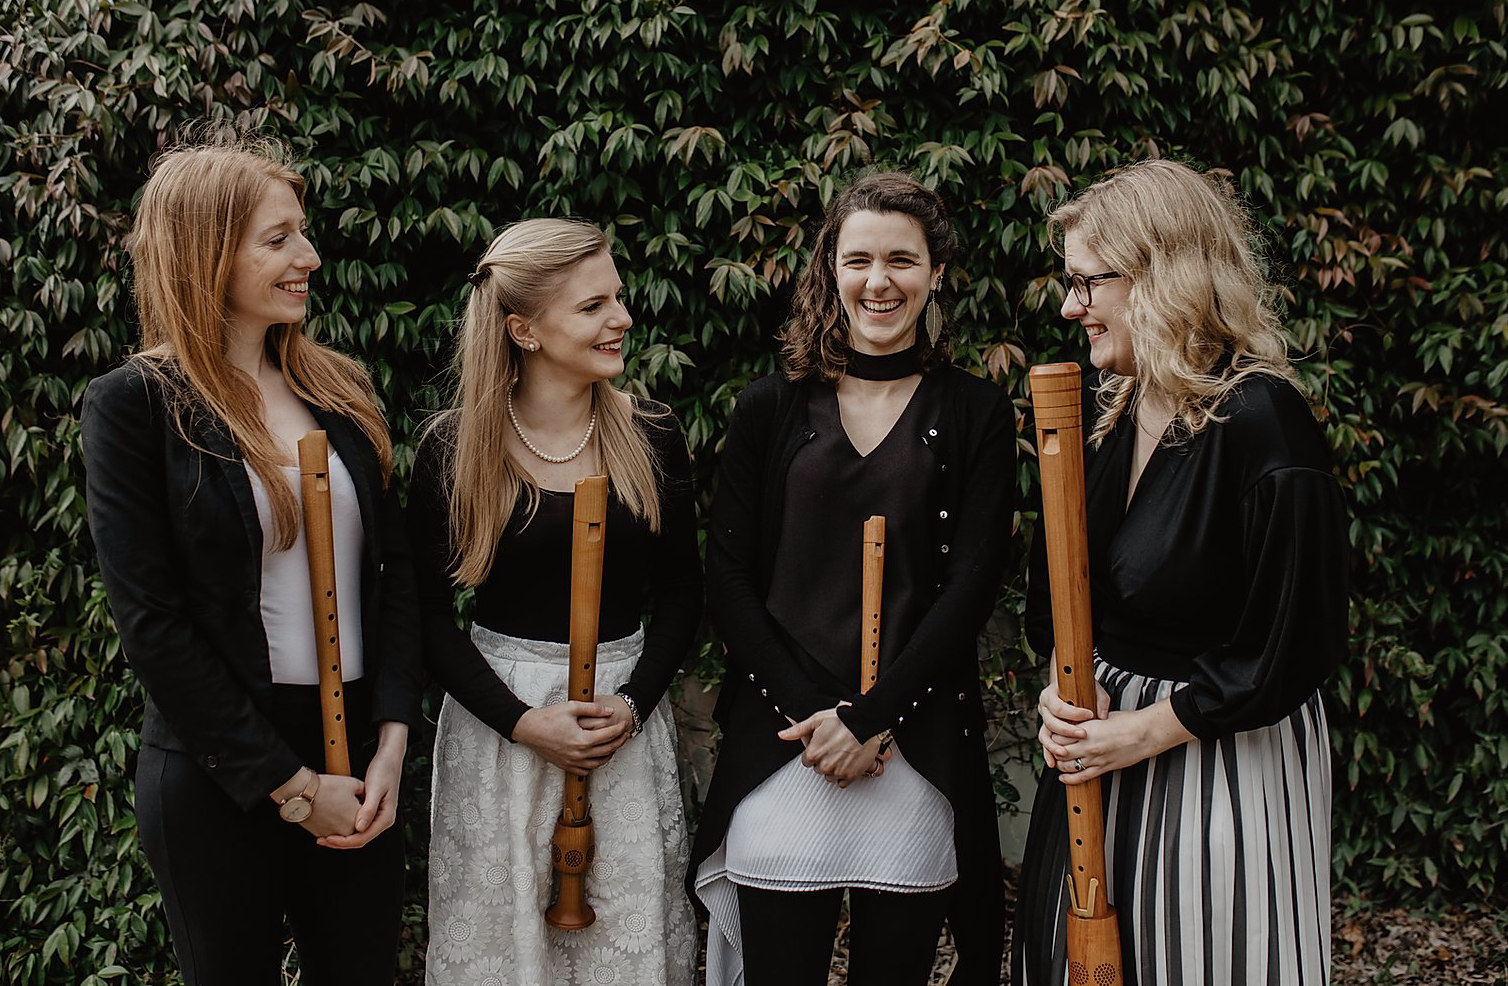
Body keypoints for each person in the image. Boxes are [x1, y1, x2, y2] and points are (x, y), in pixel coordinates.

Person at [80, 133, 423, 986]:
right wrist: (295, 789)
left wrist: (388, 748)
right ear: (206, 251)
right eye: (278, 239)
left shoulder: (338, 392)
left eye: (301, 233)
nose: (307, 256)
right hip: (218, 770)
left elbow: (396, 583)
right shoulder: (133, 406)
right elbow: (153, 627)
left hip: (357, 763)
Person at [1011, 159, 1349, 985]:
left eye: (1087, 284)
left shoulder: (1265, 422)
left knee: (1198, 959)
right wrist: (1061, 688)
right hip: (1098, 758)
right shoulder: (1111, 412)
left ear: (1164, 275)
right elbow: (1055, 597)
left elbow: (1295, 642)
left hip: (1217, 768)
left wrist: (1144, 730)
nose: (1069, 307)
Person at [690, 171, 1016, 986]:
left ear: (936, 273)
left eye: (902, 260)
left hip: (916, 743)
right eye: (858, 259)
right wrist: (818, 716)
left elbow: (972, 585)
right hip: (785, 745)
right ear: (830, 268)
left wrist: (873, 717)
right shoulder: (769, 407)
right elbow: (727, 577)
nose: (879, 282)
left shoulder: (978, 412)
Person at [411, 219, 702, 986]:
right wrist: (520, 721)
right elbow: (426, 618)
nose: (622, 319)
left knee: (622, 945)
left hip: (621, 725)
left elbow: (682, 590)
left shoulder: (652, 435)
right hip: (501, 726)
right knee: (506, 950)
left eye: (619, 298)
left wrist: (635, 702)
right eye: (593, 306)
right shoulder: (455, 448)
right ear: (524, 330)